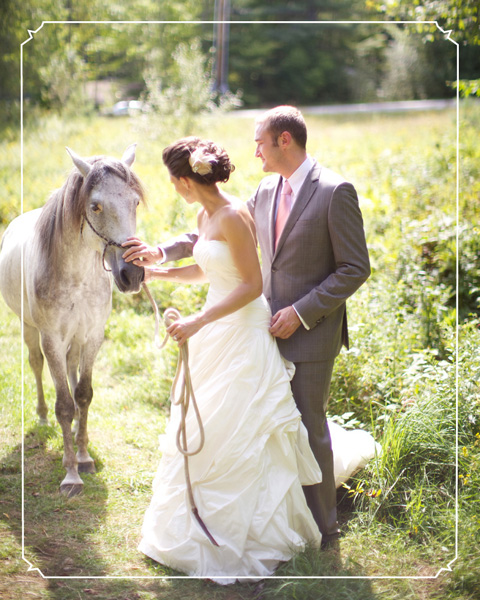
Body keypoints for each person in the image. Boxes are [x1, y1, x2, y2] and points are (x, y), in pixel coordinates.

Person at [125, 107, 372, 549]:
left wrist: (300, 311)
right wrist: (158, 256)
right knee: (266, 430)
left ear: (283, 141)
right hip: (257, 325)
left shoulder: (335, 191)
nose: (253, 150)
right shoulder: (264, 188)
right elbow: (213, 237)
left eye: (260, 141)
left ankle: (324, 529)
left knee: (306, 426)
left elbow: (355, 268)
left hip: (309, 330)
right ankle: (275, 516)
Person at [128, 136, 324, 583]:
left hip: (240, 328)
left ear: (182, 180)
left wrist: (197, 320)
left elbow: (251, 285)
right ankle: (200, 518)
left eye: (171, 179)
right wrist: (157, 270)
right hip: (216, 326)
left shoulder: (234, 214)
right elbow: (208, 269)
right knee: (204, 424)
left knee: (239, 427)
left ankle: (252, 531)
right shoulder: (204, 213)